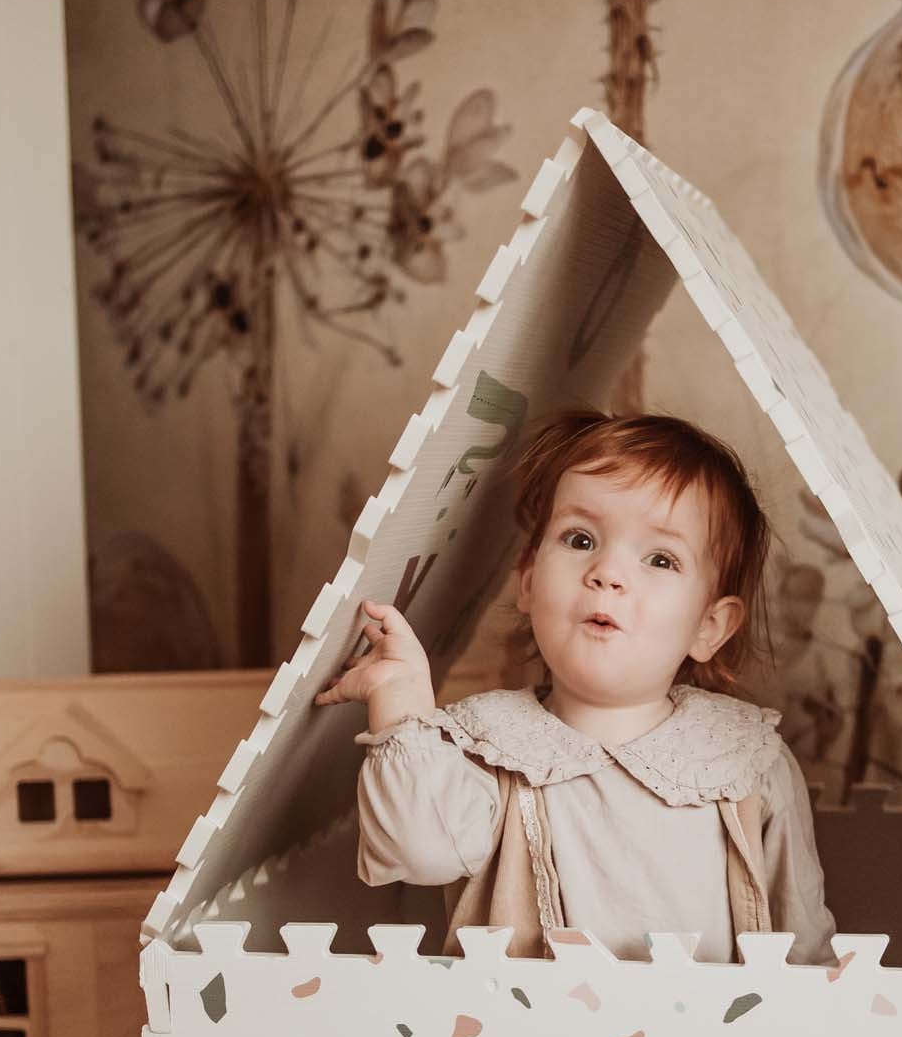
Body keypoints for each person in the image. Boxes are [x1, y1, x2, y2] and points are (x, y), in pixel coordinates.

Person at [314, 409, 836, 964]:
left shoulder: (745, 758)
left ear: (710, 626)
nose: (607, 572)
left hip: (703, 1023)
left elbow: (804, 940)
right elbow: (417, 852)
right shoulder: (485, 746)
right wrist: (401, 700)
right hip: (523, 1022)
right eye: (580, 539)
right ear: (529, 582)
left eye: (660, 559)